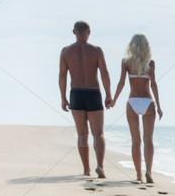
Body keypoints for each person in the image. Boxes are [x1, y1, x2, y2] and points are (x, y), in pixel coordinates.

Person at [59, 20, 112, 178]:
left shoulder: (66, 52)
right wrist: (109, 94)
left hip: (76, 93)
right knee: (98, 133)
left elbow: (62, 76)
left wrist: (63, 97)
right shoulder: (96, 51)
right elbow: (104, 73)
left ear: (74, 32)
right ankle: (100, 166)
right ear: (89, 32)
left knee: (82, 135)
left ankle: (86, 170)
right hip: (93, 92)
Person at [112, 34, 163, 184]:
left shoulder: (126, 63)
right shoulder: (150, 64)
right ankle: (148, 172)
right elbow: (153, 85)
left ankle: (138, 175)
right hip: (147, 101)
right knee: (148, 140)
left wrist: (114, 99)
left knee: (136, 141)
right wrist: (159, 106)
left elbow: (121, 82)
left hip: (132, 101)